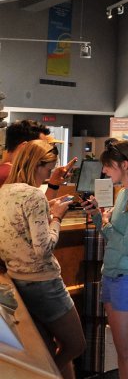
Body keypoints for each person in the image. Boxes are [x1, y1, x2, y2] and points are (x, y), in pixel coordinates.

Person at [0, 140, 85, 379]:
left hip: (17, 281)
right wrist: (56, 217)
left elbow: (18, 227)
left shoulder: (4, 191)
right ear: (36, 165)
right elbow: (43, 249)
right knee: (75, 345)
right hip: (45, 283)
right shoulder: (33, 195)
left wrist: (47, 207)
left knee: (46, 348)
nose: (49, 174)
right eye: (48, 169)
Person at [81, 139, 128, 379]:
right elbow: (112, 236)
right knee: (120, 351)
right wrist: (97, 216)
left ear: (124, 165)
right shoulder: (124, 193)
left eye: (108, 166)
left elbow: (127, 246)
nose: (104, 171)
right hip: (112, 274)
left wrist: (106, 223)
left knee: (127, 352)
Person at [0, 119, 77, 197]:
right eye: (41, 148)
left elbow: (31, 204)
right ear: (24, 148)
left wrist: (54, 183)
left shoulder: (8, 172)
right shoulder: (13, 175)